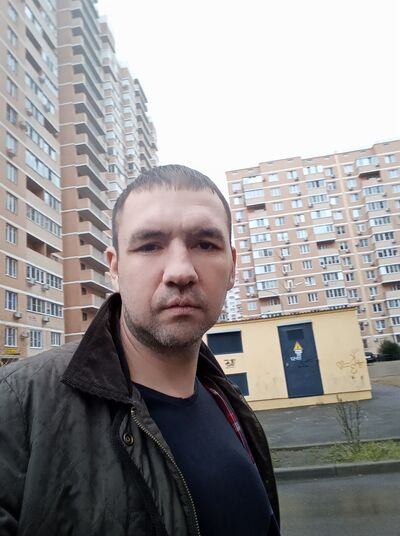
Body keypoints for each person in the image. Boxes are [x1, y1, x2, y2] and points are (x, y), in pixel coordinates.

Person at [0, 165, 280, 535]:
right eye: (149, 246)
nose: (180, 271)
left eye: (204, 244)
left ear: (232, 267)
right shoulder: (17, 404)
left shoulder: (228, 403)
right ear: (114, 269)